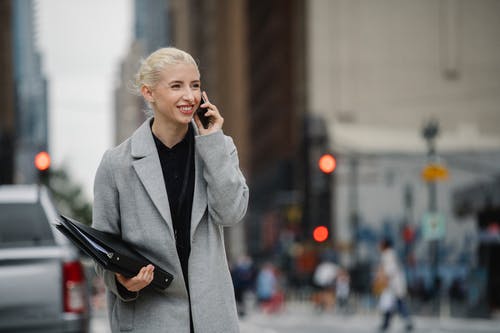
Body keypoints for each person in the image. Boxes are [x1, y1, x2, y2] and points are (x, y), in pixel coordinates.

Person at [92, 47, 249, 333]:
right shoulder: (116, 164)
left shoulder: (219, 148)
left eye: (195, 85)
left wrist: (213, 143)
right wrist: (122, 282)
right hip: (148, 318)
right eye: (176, 86)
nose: (190, 96)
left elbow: (231, 213)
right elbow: (102, 249)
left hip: (212, 319)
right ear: (149, 93)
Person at [377, 238, 413, 332]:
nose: (379, 246)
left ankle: (406, 322)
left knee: (396, 303)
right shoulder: (390, 253)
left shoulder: (388, 254)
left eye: (381, 243)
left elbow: (391, 269)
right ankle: (387, 323)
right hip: (394, 283)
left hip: (394, 284)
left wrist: (382, 278)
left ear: (385, 245)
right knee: (390, 304)